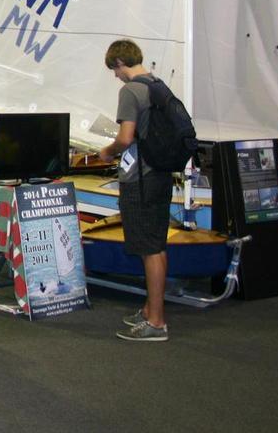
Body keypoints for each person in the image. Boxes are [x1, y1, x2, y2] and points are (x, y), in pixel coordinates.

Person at [97, 39, 172, 342]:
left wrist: (107, 151)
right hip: (161, 174)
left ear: (119, 63)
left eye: (113, 70)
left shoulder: (130, 90)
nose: (115, 76)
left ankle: (156, 322)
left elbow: (126, 138)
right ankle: (149, 309)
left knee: (148, 249)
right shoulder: (159, 85)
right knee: (157, 245)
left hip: (140, 178)